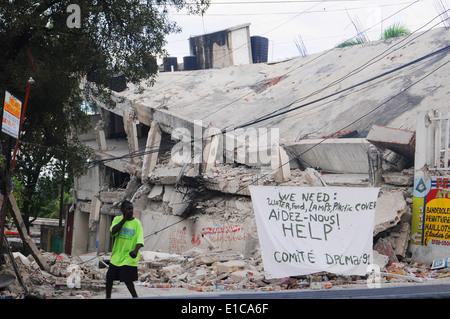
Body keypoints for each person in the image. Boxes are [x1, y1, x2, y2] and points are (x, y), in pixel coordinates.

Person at [106, 200, 144, 298]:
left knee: (128, 280)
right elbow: (113, 231)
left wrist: (135, 251)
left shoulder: (137, 223)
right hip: (117, 255)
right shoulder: (117, 219)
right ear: (122, 210)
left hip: (129, 256)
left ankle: (135, 297)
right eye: (128, 209)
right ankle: (107, 297)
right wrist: (124, 220)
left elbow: (140, 239)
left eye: (131, 209)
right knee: (109, 278)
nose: (130, 211)